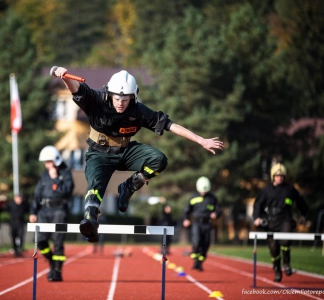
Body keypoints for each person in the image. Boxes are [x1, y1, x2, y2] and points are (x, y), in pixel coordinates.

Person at [51, 67, 224, 244]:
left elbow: (170, 125)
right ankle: (90, 220)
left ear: (133, 97)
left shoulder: (138, 110)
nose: (120, 103)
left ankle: (129, 186)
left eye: (125, 99)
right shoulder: (96, 100)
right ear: (109, 94)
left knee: (159, 159)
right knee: (96, 184)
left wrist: (201, 140)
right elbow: (76, 88)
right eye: (117, 98)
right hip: (99, 154)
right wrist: (63, 75)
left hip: (125, 152)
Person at [253, 163, 308, 282]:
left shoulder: (290, 189)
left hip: (285, 219)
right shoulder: (266, 191)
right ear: (273, 177)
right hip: (271, 222)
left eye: (282, 176)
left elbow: (300, 201)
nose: (280, 178)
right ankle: (277, 270)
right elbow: (258, 205)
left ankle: (287, 264)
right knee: (274, 249)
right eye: (277, 176)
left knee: (286, 241)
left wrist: (303, 215)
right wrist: (257, 217)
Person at [29, 145, 74, 282]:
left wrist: (55, 178)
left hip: (59, 209)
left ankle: (57, 272)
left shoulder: (65, 173)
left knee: (58, 242)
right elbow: (37, 194)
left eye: (49, 162)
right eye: (45, 162)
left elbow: (67, 191)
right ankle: (51, 262)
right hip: (44, 210)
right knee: (41, 241)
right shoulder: (43, 175)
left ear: (56, 160)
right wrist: (33, 211)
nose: (46, 165)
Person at [182, 176, 221, 271]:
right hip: (196, 223)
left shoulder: (212, 198)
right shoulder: (193, 197)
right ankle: (196, 261)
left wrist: (216, 214)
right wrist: (186, 219)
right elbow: (187, 210)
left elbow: (219, 210)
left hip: (207, 224)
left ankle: (199, 263)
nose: (203, 192)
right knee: (196, 242)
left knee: (206, 244)